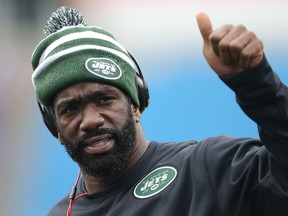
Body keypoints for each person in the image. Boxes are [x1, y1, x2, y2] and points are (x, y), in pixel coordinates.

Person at [31, 6, 288, 216]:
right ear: (54, 127)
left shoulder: (208, 167)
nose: (90, 120)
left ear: (135, 104)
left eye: (104, 99)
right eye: (70, 109)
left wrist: (258, 85)